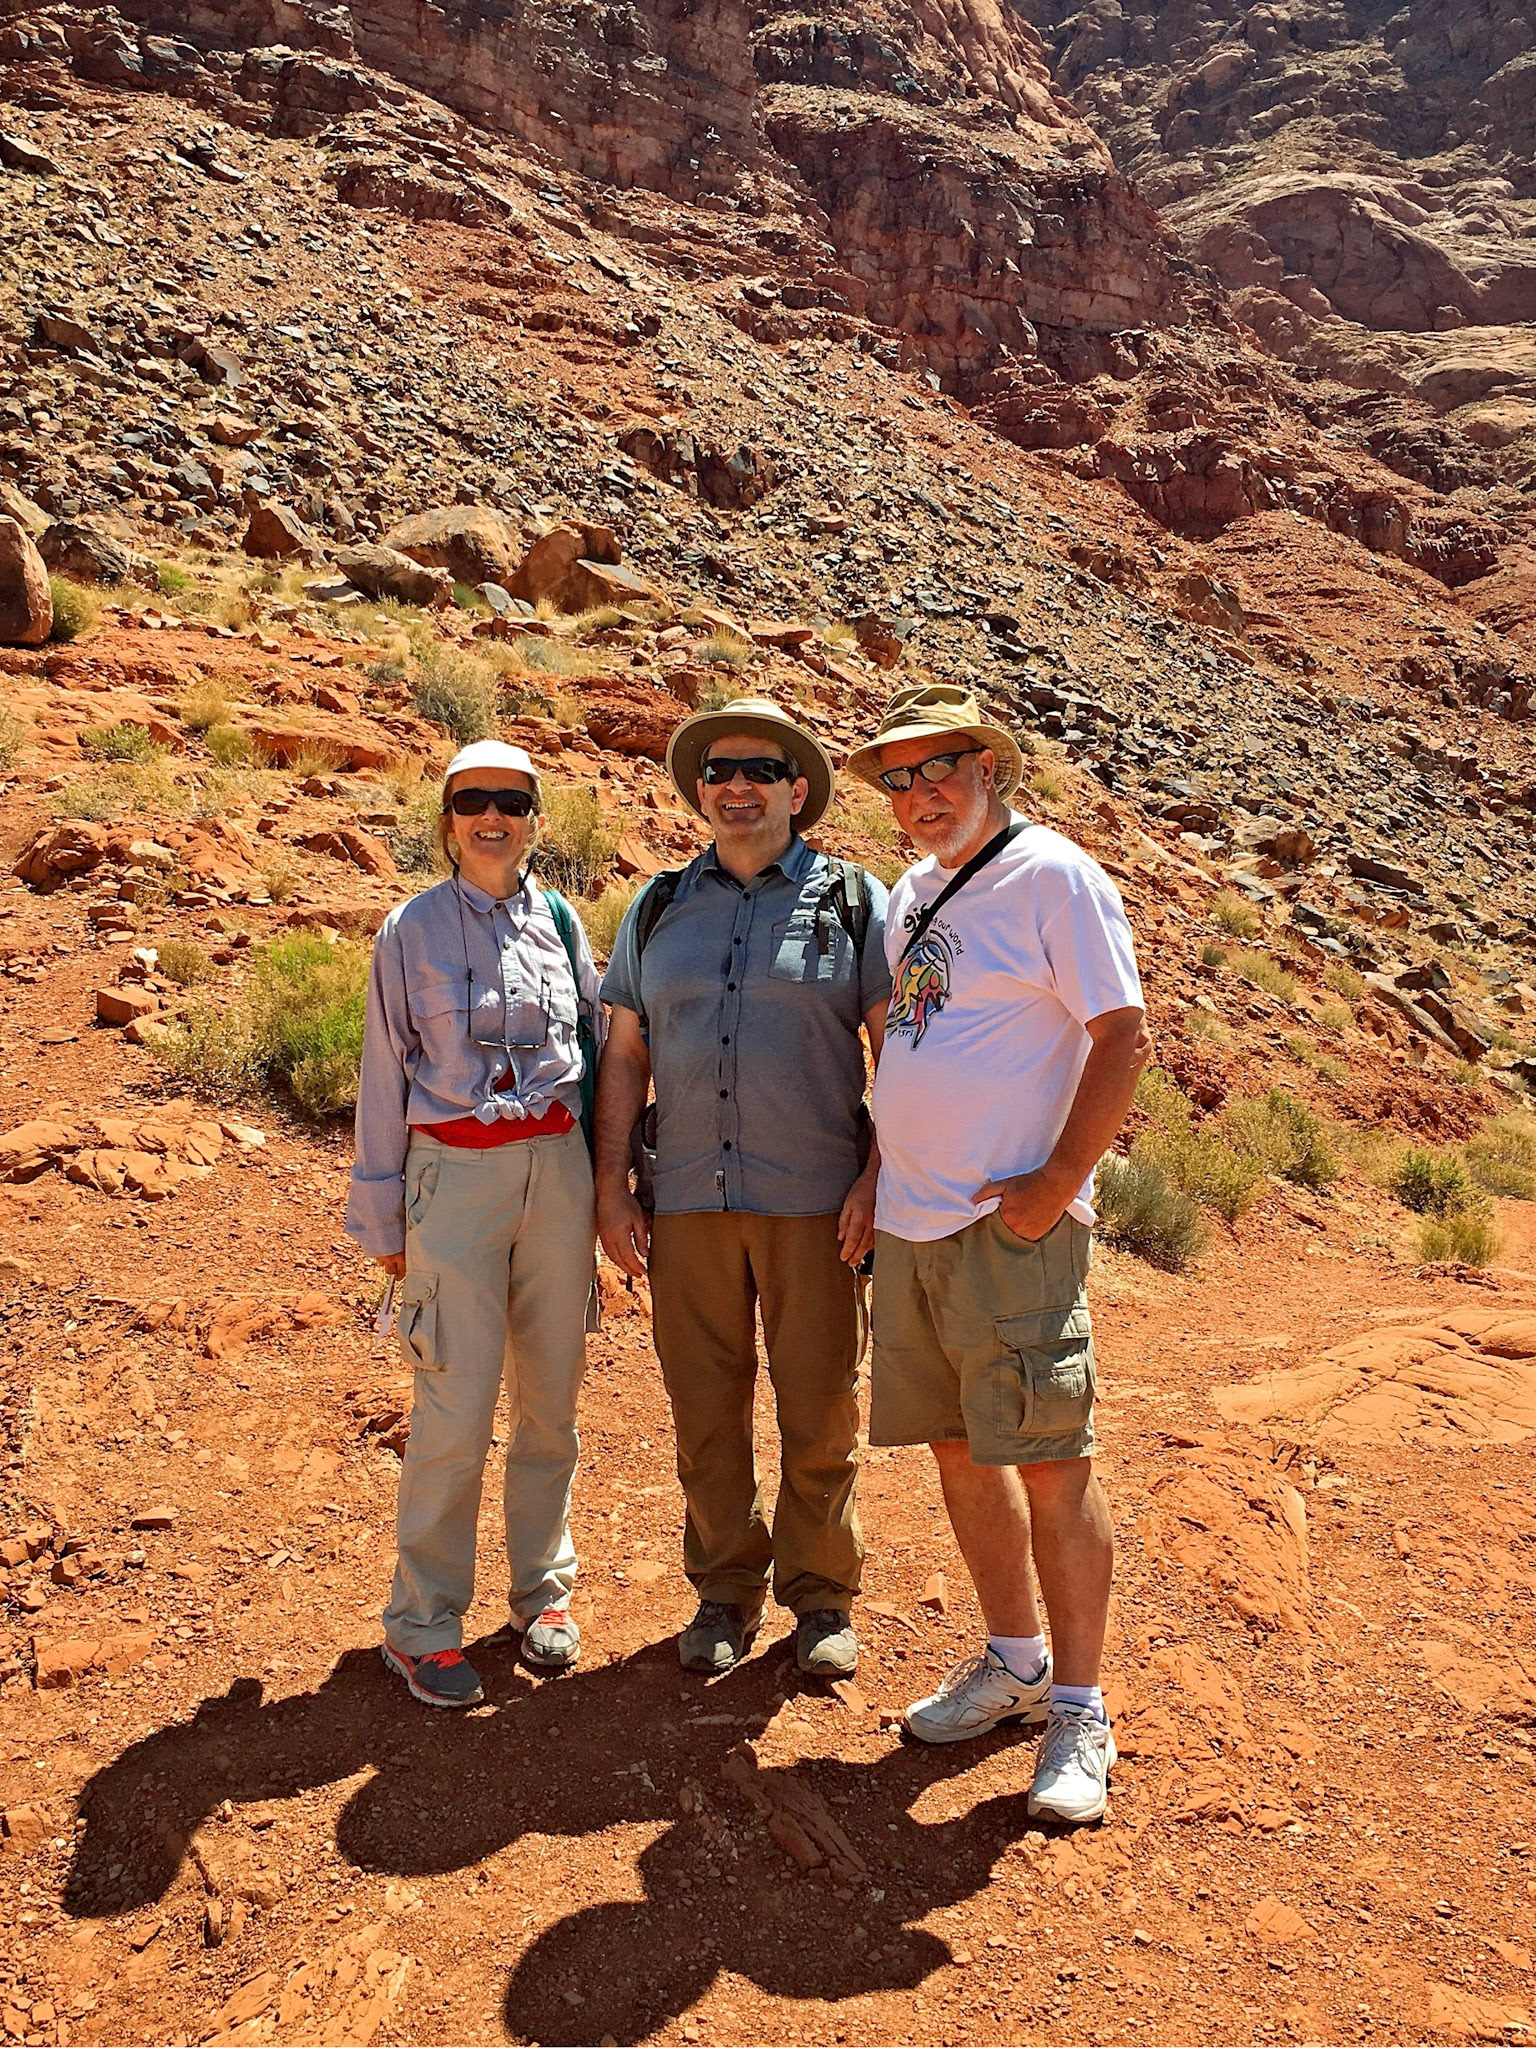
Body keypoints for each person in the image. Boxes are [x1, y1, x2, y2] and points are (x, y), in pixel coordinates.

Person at [846, 681, 1149, 1824]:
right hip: (914, 1223)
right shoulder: (910, 895)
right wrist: (879, 1176)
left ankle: (1079, 1704)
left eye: (941, 769)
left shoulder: (1055, 875)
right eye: (900, 778)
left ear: (991, 768)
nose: (920, 794)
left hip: (1005, 1228)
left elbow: (1123, 1034)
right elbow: (910, 1051)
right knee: (963, 1456)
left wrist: (1057, 1184)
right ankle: (1015, 1663)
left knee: (1051, 1459)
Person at [595, 698, 891, 1679]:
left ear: (795, 790)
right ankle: (725, 1588)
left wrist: (884, 1171)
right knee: (704, 1407)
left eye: (758, 770)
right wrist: (610, 1185)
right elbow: (626, 1055)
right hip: (684, 1195)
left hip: (815, 1199)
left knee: (820, 1404)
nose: (734, 786)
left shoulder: (854, 899)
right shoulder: (658, 906)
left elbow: (899, 1049)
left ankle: (820, 1596)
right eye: (717, 771)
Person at [345, 740, 605, 1707]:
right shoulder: (407, 931)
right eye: (472, 802)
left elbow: (602, 1042)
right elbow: (381, 1077)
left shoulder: (564, 923)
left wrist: (613, 1181)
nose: (492, 817)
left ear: (536, 817)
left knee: (551, 1400)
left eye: (512, 801)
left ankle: (542, 1594)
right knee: (453, 1407)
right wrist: (382, 1219)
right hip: (450, 1179)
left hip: (558, 1174)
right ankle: (422, 1624)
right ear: (448, 819)